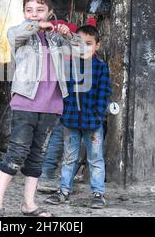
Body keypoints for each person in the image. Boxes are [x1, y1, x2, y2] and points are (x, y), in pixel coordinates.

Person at [0, 0, 86, 217]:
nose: (34, 14)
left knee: (37, 156)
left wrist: (69, 35)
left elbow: (83, 50)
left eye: (40, 10)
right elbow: (16, 34)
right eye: (29, 10)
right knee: (16, 153)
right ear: (23, 12)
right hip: (25, 104)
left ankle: (28, 205)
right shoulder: (20, 34)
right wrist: (37, 25)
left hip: (51, 106)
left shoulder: (57, 38)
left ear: (50, 12)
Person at [45, 25, 111, 209]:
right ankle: (64, 190)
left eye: (89, 44)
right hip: (71, 120)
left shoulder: (101, 68)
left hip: (92, 123)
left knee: (95, 158)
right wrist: (63, 113)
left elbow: (104, 94)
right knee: (69, 157)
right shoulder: (69, 66)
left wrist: (98, 114)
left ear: (97, 46)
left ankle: (98, 193)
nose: (83, 47)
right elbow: (62, 91)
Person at [38, 0, 97, 193]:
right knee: (60, 131)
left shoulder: (42, 29)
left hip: (43, 86)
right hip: (65, 87)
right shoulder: (71, 30)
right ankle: (46, 173)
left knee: (44, 130)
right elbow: (87, 43)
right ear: (71, 9)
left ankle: (42, 172)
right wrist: (92, 19)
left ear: (50, 9)